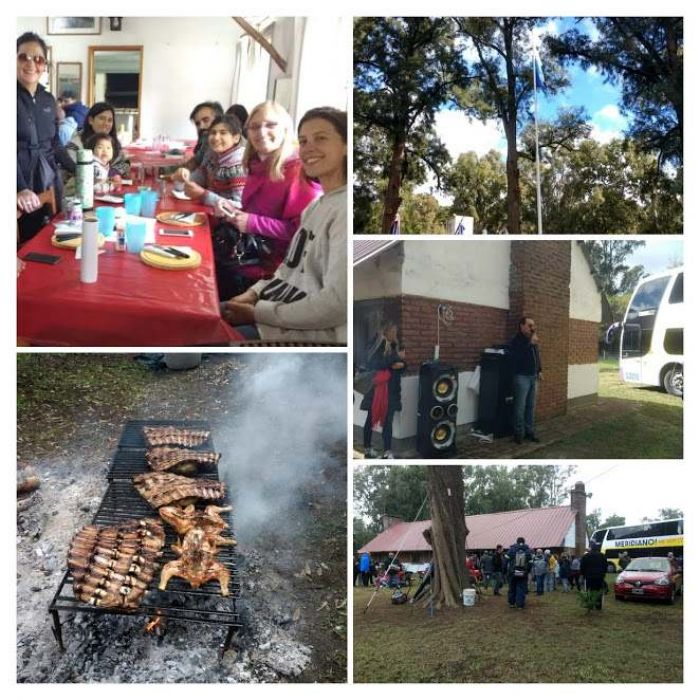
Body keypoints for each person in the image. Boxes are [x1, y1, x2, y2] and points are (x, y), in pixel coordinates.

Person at [219, 107, 346, 342]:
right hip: (271, 296)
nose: (308, 148)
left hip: (302, 331)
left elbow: (337, 303)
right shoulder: (317, 207)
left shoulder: (341, 210)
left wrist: (257, 312)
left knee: (204, 336)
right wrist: (253, 293)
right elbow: (291, 266)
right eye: (305, 140)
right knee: (200, 317)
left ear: (347, 146)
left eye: (321, 138)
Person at [214, 101, 322, 299]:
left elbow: (303, 234)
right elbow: (256, 211)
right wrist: (232, 210)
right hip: (244, 256)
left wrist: (252, 222)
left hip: (269, 274)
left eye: (270, 125)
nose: (261, 132)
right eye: (254, 127)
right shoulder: (257, 164)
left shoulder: (299, 172)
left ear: (286, 130)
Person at [16, 31, 73, 243]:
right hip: (20, 178)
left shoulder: (48, 99)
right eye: (23, 57)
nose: (31, 64)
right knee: (26, 244)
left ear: (44, 65)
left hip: (49, 178)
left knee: (52, 237)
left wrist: (79, 168)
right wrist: (20, 188)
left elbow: (55, 143)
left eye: (38, 59)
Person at [174, 114, 246, 208]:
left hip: (225, 220)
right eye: (213, 133)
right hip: (208, 211)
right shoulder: (212, 155)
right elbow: (194, 181)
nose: (216, 137)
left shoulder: (237, 165)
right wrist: (183, 177)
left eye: (223, 133)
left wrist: (204, 195)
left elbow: (240, 206)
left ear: (236, 138)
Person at [360, 321, 407, 459]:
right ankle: (368, 449)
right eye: (392, 331)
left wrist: (401, 366)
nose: (395, 334)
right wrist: (395, 360)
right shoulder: (377, 345)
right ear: (385, 332)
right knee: (370, 419)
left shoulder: (397, 345)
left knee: (388, 422)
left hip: (391, 391)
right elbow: (375, 364)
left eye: (395, 332)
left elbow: (404, 365)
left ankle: (387, 451)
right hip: (376, 390)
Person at [66, 102, 131, 178]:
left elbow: (125, 163)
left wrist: (113, 174)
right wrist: (107, 176)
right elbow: (77, 169)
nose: (106, 123)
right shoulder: (75, 144)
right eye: (102, 118)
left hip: (108, 186)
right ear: (91, 120)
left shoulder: (112, 142)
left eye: (110, 120)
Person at [510, 316, 543, 444]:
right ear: (522, 326)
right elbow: (517, 357)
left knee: (531, 406)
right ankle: (518, 434)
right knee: (520, 407)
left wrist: (540, 370)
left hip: (533, 376)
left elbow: (536, 356)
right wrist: (530, 344)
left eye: (533, 325)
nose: (532, 328)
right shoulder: (516, 341)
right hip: (521, 377)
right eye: (529, 325)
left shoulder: (532, 340)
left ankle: (529, 432)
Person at [176, 100, 224, 173]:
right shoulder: (205, 138)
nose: (201, 126)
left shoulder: (230, 144)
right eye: (197, 124)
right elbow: (197, 161)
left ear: (220, 119)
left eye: (206, 120)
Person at [506, 536, 532, 609]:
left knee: (512, 587)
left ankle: (512, 603)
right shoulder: (528, 550)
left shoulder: (512, 549)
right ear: (524, 542)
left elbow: (505, 560)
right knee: (521, 588)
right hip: (523, 573)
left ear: (516, 542)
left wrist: (505, 570)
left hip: (513, 572)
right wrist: (527, 571)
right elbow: (530, 563)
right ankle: (520, 605)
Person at [580, 543, 608, 610]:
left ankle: (590, 606)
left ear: (591, 548)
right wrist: (603, 574)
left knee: (589, 591)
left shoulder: (586, 556)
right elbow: (605, 566)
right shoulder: (602, 556)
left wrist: (584, 575)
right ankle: (598, 606)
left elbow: (582, 567)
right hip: (599, 577)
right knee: (599, 591)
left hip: (589, 577)